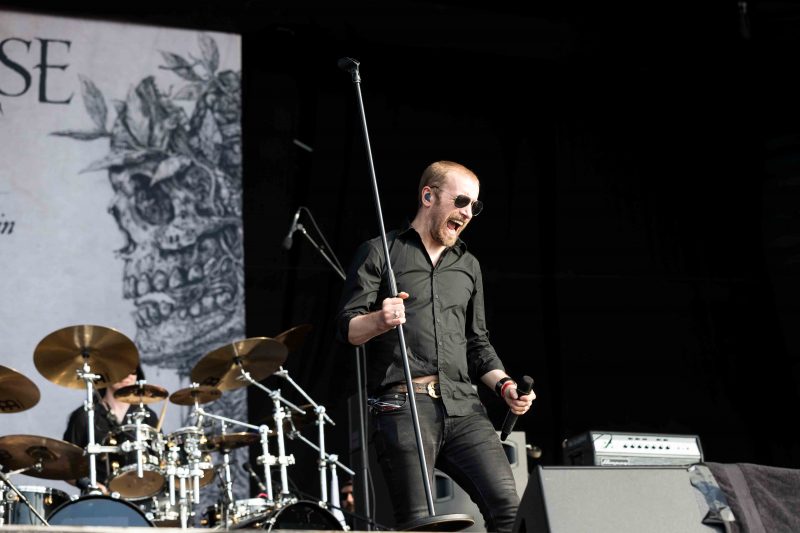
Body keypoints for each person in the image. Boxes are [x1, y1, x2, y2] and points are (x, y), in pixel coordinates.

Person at [336, 160, 535, 532]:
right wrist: (380, 320)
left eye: (474, 206)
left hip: (463, 405)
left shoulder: (468, 265)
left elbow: (477, 343)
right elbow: (348, 329)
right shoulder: (380, 251)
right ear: (428, 196)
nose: (467, 212)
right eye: (461, 201)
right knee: (421, 524)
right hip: (403, 405)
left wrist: (505, 386)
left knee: (511, 511)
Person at [62, 365, 160, 494]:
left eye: (132, 371)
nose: (127, 376)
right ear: (106, 375)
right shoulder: (85, 417)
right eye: (121, 371)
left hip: (142, 495)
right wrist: (88, 484)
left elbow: (160, 460)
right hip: (99, 498)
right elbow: (65, 465)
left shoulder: (147, 417)